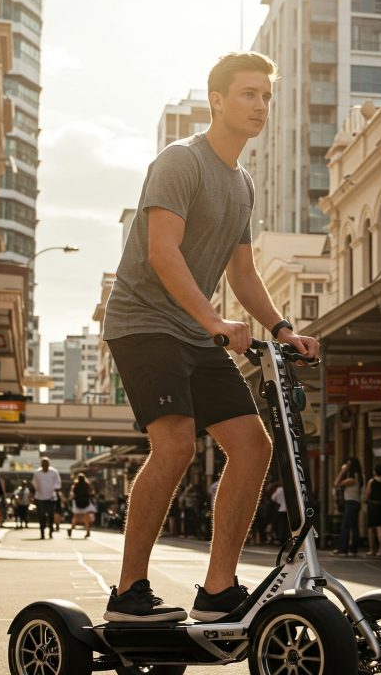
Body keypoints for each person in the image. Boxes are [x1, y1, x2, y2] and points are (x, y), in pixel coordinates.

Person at [100, 51, 318, 623]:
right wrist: (215, 322)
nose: (260, 106)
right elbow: (160, 251)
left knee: (253, 446)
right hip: (144, 321)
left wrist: (281, 328)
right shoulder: (181, 161)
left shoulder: (241, 184)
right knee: (173, 446)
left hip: (197, 331)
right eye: (248, 94)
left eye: (266, 96)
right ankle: (128, 592)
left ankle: (218, 589)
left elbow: (242, 274)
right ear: (217, 100)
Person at [332, 457, 363, 556]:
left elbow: (336, 483)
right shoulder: (361, 476)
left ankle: (343, 549)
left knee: (345, 526)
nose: (347, 467)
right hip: (356, 503)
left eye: (349, 465)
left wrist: (342, 471)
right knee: (354, 526)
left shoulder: (352, 479)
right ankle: (353, 549)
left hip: (351, 503)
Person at [32, 458, 62, 539]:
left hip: (51, 498)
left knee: (51, 515)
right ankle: (42, 532)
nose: (45, 465)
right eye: (43, 464)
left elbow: (58, 484)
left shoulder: (54, 472)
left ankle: (50, 531)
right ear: (41, 465)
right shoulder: (37, 473)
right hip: (40, 497)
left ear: (49, 464)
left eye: (46, 464)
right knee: (41, 515)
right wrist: (38, 492)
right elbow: (34, 484)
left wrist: (54, 491)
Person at [68, 473, 95, 538]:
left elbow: (72, 494)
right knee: (86, 518)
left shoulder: (75, 485)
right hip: (86, 503)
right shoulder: (87, 485)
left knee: (75, 517)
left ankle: (71, 529)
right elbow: (92, 493)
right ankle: (88, 531)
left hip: (77, 503)